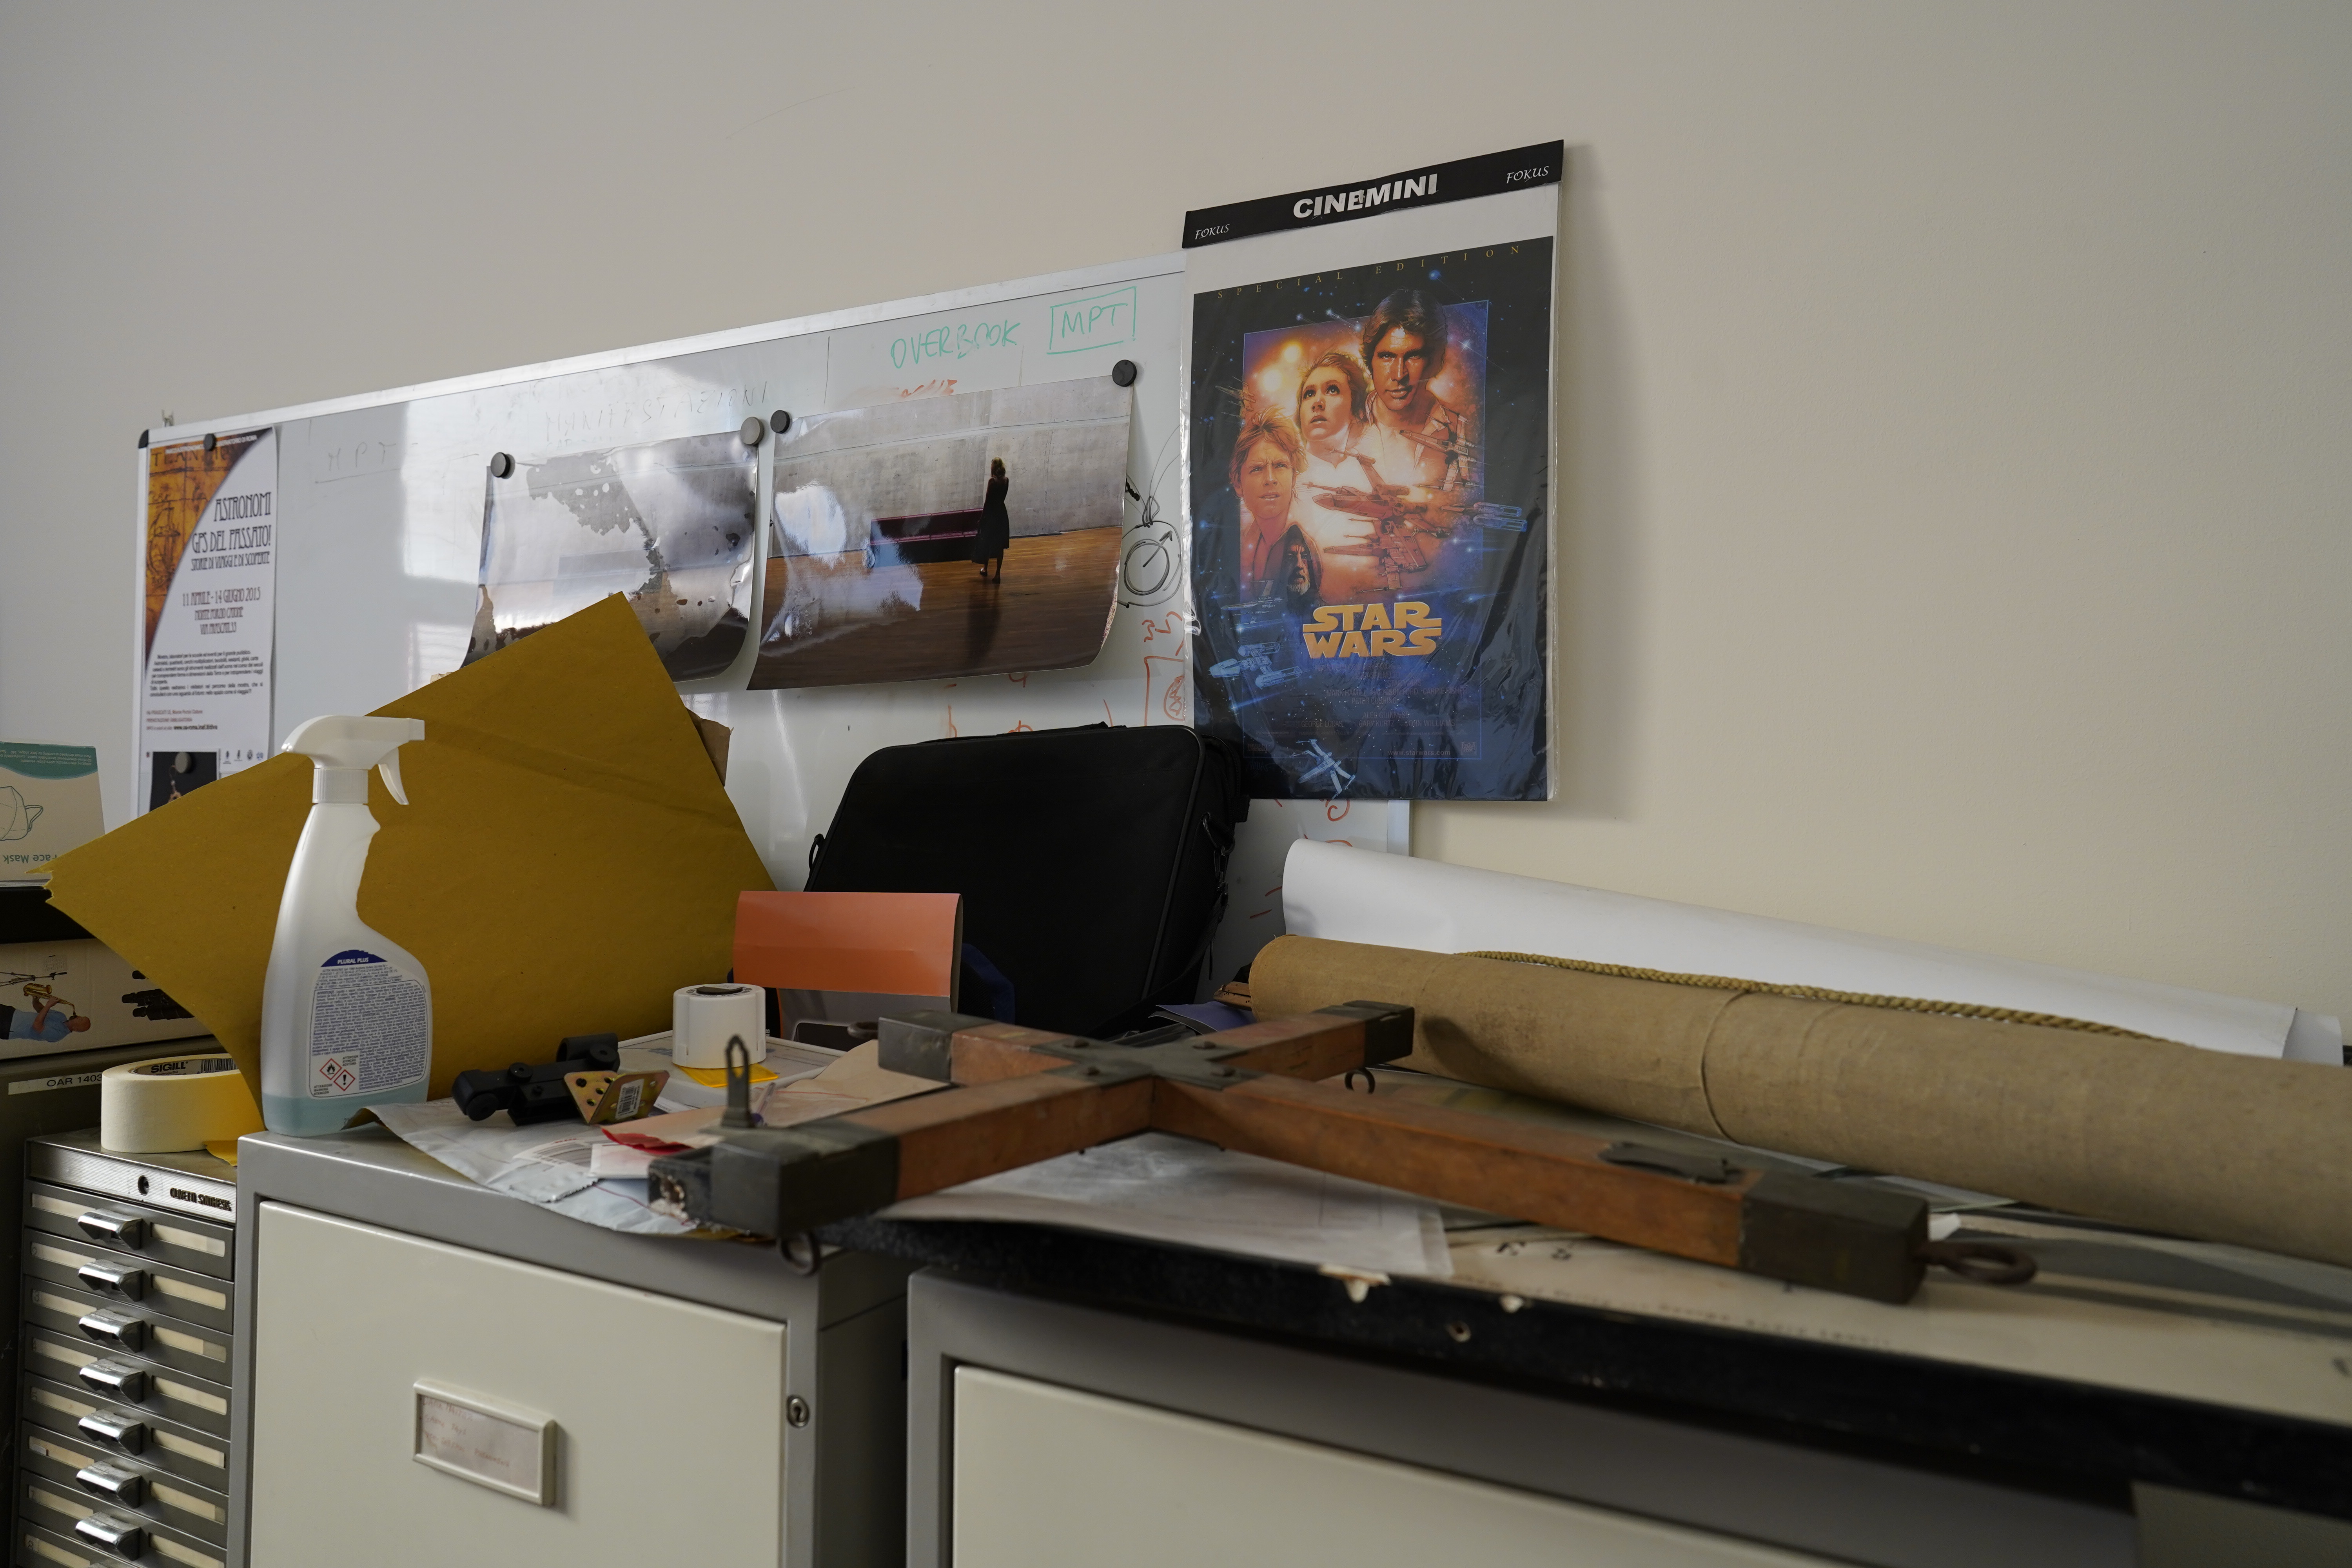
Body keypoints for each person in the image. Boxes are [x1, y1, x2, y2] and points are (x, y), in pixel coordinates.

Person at [1357, 289, 1473, 492]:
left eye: (1413, 356)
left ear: (1432, 362)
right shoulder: (1345, 421)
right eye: (1387, 356)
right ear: (1371, 361)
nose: (1399, 374)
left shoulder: (1462, 430)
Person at [1227, 405, 1305, 597]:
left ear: (1294, 477)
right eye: (1257, 469)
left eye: (1280, 466)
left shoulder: (1305, 543)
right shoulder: (1238, 545)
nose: (1270, 479)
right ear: (1238, 484)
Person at [971, 457, 1011, 583]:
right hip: (1002, 514)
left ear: (993, 467)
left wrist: (982, 519)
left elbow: (988, 502)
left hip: (991, 515)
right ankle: (998, 574)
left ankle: (986, 568)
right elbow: (1003, 498)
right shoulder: (1006, 480)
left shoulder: (992, 482)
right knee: (1000, 546)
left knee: (987, 542)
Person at [2, 992, 91, 1044]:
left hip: (10, 1027)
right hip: (13, 1014)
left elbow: (37, 1026)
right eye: (81, 1017)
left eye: (80, 1020)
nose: (78, 1017)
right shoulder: (62, 1016)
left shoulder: (58, 1035)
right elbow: (40, 1010)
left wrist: (49, 1005)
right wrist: (36, 1000)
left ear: (75, 1028)